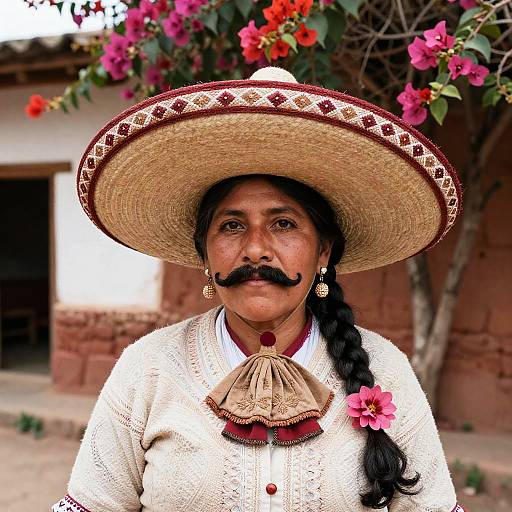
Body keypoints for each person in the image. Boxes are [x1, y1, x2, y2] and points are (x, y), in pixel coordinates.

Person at [51, 66, 465, 511]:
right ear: (205, 257)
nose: (255, 250)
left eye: (283, 224)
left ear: (323, 252)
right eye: (231, 226)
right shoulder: (148, 369)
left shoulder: (386, 370)